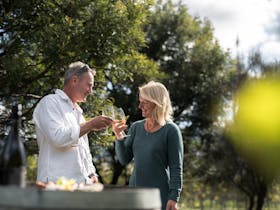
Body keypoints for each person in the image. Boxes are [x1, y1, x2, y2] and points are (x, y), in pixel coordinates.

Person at [33, 61, 112, 185]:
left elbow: (84, 150)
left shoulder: (78, 112)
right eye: (89, 85)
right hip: (55, 187)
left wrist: (92, 173)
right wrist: (90, 125)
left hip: (80, 186)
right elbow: (58, 138)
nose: (91, 91)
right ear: (74, 80)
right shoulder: (49, 102)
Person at [112, 81, 184, 210]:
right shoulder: (136, 128)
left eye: (144, 102)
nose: (140, 106)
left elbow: (176, 167)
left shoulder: (171, 130)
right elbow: (123, 159)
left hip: (159, 195)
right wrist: (119, 136)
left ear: (156, 102)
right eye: (140, 101)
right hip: (135, 193)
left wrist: (174, 197)